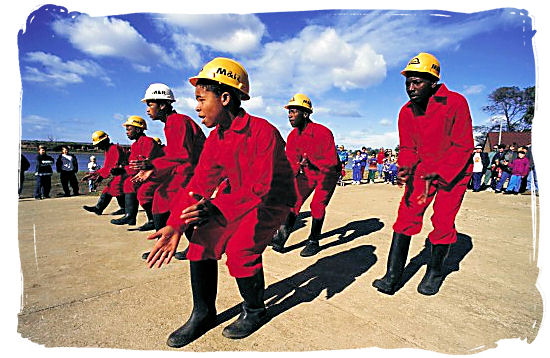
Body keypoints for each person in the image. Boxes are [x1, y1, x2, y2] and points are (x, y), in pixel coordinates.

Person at [145, 57, 296, 347]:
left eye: (201, 99)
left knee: (241, 250)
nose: (197, 106)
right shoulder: (216, 139)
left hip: (271, 202)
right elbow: (199, 184)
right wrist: (176, 225)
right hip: (237, 197)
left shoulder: (262, 131)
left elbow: (261, 189)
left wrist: (214, 207)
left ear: (225, 98)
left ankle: (255, 309)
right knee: (201, 240)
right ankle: (203, 313)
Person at [372, 52, 474, 296]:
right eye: (408, 82)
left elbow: (463, 146)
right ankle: (392, 275)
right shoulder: (406, 112)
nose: (411, 87)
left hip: (454, 173)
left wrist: (443, 175)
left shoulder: (456, 103)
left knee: (442, 222)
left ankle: (435, 272)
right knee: (406, 216)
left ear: (433, 82)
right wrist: (405, 169)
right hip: (423, 172)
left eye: (417, 82)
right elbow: (408, 147)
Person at [132, 83, 206, 259]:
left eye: (150, 104)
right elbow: (174, 153)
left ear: (163, 105)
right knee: (162, 200)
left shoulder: (177, 122)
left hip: (191, 173)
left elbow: (182, 155)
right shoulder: (173, 122)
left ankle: (169, 243)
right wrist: (153, 168)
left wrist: (152, 165)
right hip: (185, 170)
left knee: (167, 201)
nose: (148, 110)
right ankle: (167, 241)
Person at [270, 93, 340, 257]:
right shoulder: (292, 136)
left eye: (294, 112)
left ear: (306, 114)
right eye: (289, 112)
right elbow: (292, 163)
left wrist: (311, 161)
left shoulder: (323, 132)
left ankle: (313, 241)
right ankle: (280, 238)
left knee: (317, 205)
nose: (290, 116)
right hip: (308, 171)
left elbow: (330, 162)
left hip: (327, 174)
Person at [111, 116, 164, 229]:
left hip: (156, 174)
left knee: (144, 193)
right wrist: (122, 170)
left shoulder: (148, 142)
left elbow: (152, 163)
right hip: (144, 174)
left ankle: (153, 220)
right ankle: (130, 216)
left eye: (129, 129)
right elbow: (133, 166)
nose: (127, 132)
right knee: (128, 184)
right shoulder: (135, 145)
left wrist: (143, 170)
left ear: (138, 130)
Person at [82, 131, 128, 215]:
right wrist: (99, 176)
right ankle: (99, 208)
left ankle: (123, 208)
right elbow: (107, 168)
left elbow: (110, 167)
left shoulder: (113, 149)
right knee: (110, 188)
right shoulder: (109, 149)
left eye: (99, 144)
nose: (98, 147)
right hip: (119, 173)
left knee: (115, 187)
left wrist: (94, 174)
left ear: (105, 141)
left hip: (123, 173)